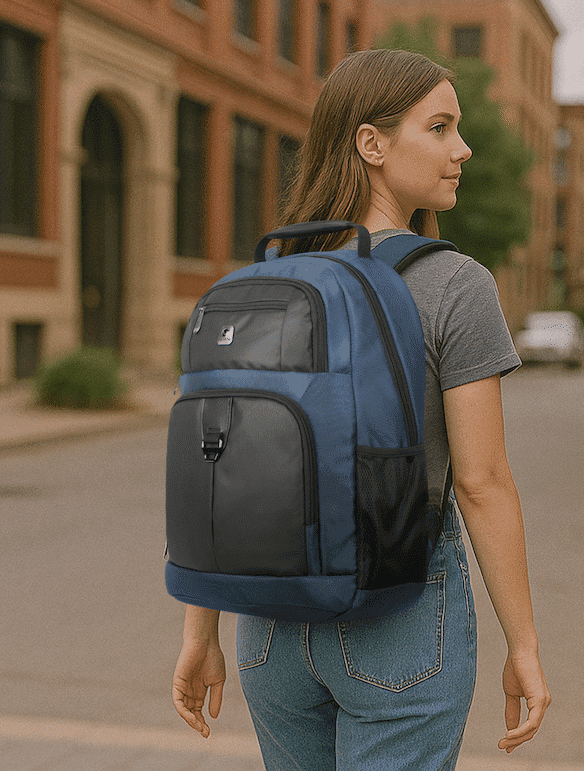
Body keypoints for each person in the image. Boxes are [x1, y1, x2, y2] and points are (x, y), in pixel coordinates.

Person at [172, 48, 551, 769]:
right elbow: (482, 482)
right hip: (400, 614)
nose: (462, 149)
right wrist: (523, 645)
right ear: (371, 144)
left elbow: (228, 469)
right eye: (439, 127)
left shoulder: (270, 278)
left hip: (271, 624)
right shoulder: (455, 284)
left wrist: (200, 631)